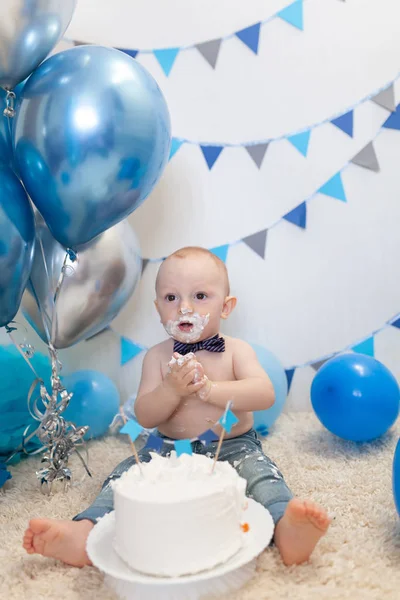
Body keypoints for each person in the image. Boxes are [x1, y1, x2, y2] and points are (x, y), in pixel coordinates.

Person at [23, 246, 330, 568]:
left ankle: (287, 527)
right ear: (158, 309)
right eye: (171, 298)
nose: (184, 307)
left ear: (225, 307)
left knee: (262, 477)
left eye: (200, 296)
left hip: (234, 445)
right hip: (167, 447)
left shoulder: (236, 351)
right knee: (123, 477)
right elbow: (145, 415)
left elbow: (264, 394)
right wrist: (170, 389)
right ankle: (85, 532)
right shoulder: (157, 357)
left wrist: (210, 390)